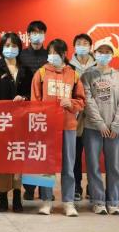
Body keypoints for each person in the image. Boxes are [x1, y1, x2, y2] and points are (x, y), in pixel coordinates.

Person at [31, 38, 85, 216]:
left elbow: (81, 100)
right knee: (47, 166)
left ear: (64, 54)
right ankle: (46, 201)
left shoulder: (73, 75)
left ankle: (68, 202)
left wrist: (71, 103)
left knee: (68, 166)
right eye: (50, 52)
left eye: (56, 53)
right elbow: (34, 101)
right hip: (46, 127)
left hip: (68, 126)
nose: (53, 56)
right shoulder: (41, 73)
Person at [0, 32, 32, 212]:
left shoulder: (26, 70)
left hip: (21, 122)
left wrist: (24, 98)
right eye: (7, 46)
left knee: (18, 159)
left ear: (19, 48)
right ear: (2, 48)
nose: (10, 49)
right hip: (1, 121)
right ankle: (2, 196)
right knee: (3, 160)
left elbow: (32, 94)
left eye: (14, 46)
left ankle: (17, 196)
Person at [82, 38, 119, 215]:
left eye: (107, 52)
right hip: (93, 128)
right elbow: (88, 101)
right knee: (93, 166)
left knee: (114, 166)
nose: (104, 55)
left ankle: (113, 201)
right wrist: (99, 123)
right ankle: (98, 201)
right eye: (100, 51)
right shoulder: (87, 75)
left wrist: (116, 125)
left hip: (115, 130)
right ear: (95, 53)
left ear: (112, 54)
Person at [20, 20, 49, 201]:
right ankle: (29, 189)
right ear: (28, 35)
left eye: (40, 32)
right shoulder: (21, 55)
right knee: (30, 151)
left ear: (45, 35)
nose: (37, 35)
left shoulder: (51, 55)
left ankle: (45, 190)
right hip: (26, 109)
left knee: (45, 150)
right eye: (34, 32)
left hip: (48, 110)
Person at [70, 34, 97, 201]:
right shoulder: (68, 66)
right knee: (75, 154)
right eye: (79, 43)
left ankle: (93, 186)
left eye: (85, 43)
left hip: (94, 116)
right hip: (75, 117)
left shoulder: (98, 65)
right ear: (74, 47)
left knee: (93, 155)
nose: (82, 46)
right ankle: (76, 186)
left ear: (90, 47)